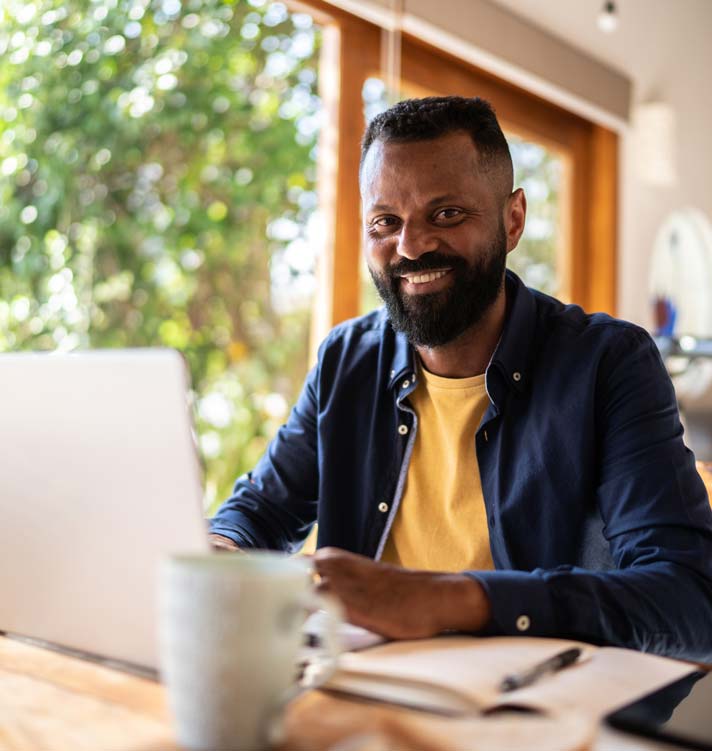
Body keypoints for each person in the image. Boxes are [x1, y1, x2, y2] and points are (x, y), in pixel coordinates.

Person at [210, 96, 712, 661]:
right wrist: (217, 551)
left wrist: (449, 599)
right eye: (385, 222)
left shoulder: (609, 363)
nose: (411, 246)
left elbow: (688, 599)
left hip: (532, 709)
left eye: (445, 215)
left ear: (513, 219)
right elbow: (261, 512)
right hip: (358, 692)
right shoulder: (345, 360)